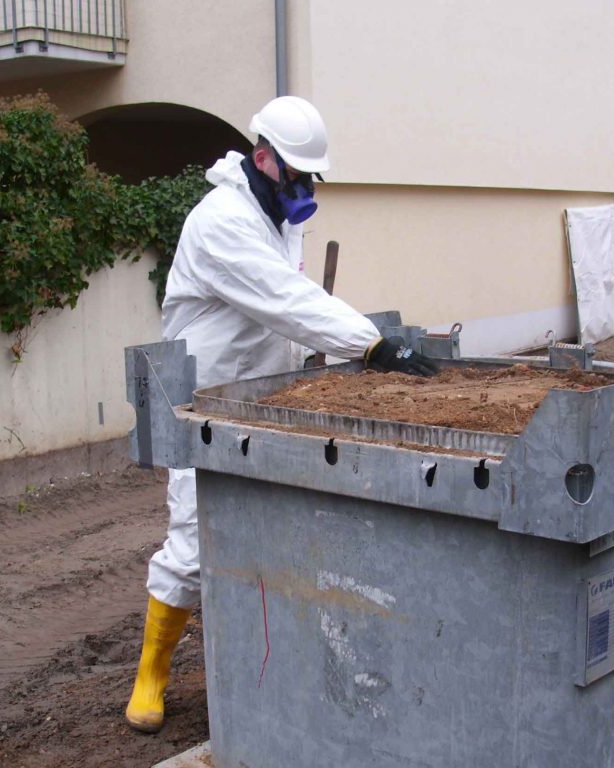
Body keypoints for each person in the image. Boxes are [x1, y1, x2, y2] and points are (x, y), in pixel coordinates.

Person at [125, 95, 439, 733]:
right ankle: (151, 675)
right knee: (191, 544)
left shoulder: (278, 215)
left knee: (278, 534)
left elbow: (290, 307)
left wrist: (314, 352)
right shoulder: (220, 222)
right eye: (296, 176)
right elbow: (283, 297)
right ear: (261, 157)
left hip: (268, 401)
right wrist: (371, 343)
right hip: (203, 405)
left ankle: (263, 666)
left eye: (309, 179)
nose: (303, 189)